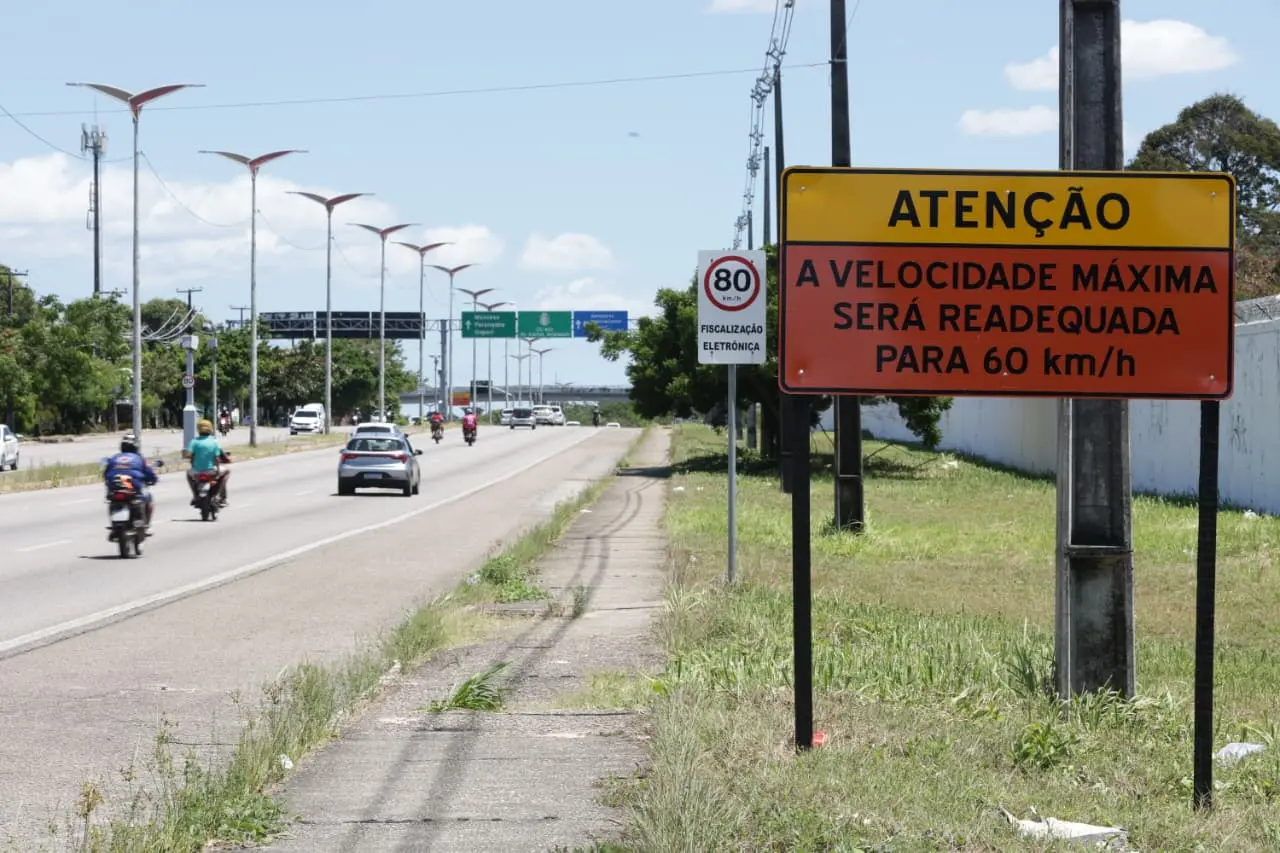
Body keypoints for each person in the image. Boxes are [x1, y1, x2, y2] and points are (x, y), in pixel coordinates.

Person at [103, 432, 159, 535]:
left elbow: (106, 474)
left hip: (115, 488)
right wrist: (153, 480)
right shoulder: (140, 459)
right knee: (148, 498)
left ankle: (114, 526)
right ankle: (146, 525)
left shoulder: (114, 458)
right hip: (133, 489)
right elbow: (150, 474)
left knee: (112, 502)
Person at [184, 419, 231, 507]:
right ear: (210, 429)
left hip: (196, 471)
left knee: (188, 474)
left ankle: (195, 495)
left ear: (198, 429)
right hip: (211, 471)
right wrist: (217, 471)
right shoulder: (214, 442)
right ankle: (219, 496)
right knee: (227, 472)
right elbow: (217, 458)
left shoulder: (194, 442)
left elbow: (188, 455)